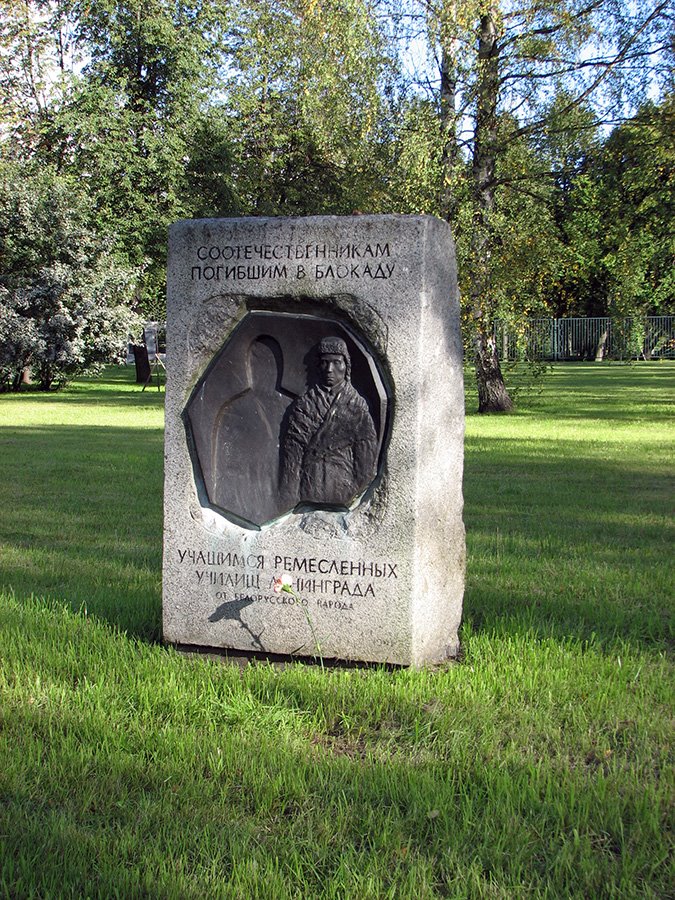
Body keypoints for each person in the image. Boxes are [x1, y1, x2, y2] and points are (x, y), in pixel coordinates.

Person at [280, 336, 377, 507]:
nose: (330, 369)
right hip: (309, 488)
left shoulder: (356, 407)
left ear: (346, 366)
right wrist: (288, 495)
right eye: (325, 363)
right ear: (318, 366)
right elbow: (292, 455)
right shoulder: (304, 404)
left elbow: (366, 463)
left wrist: (356, 495)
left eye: (336, 362)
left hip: (342, 487)